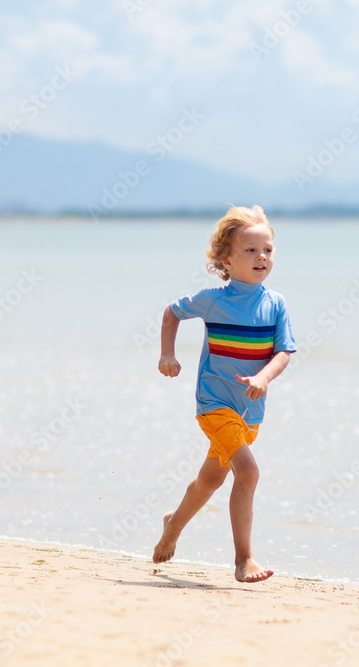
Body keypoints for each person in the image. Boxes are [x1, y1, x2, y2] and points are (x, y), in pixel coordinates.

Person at [152, 205, 296, 583]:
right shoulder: (213, 299)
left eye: (266, 249)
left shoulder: (276, 304)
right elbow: (171, 312)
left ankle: (173, 524)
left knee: (211, 480)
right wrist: (167, 352)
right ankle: (243, 559)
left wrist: (263, 378)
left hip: (250, 410)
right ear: (226, 260)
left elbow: (283, 353)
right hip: (213, 404)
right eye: (250, 250)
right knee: (247, 473)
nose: (261, 257)